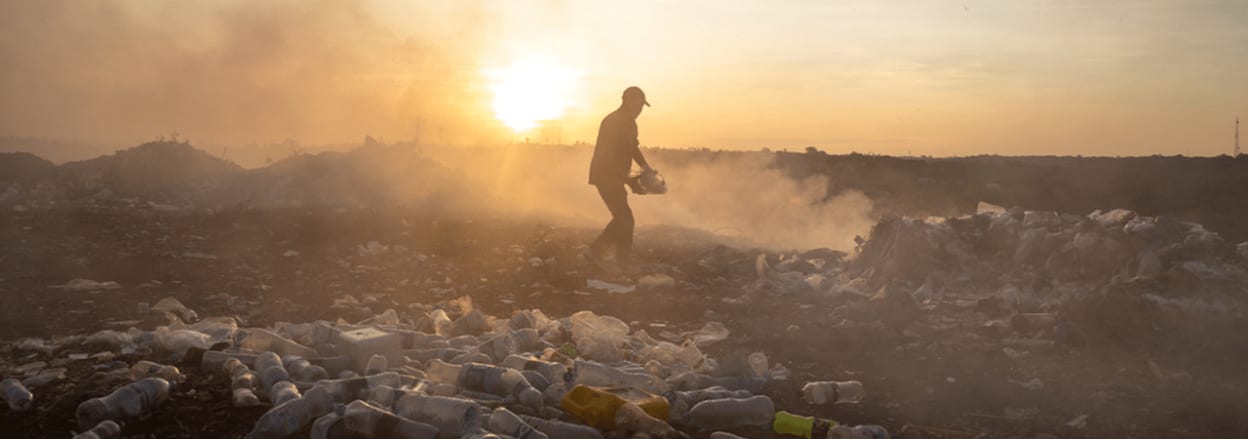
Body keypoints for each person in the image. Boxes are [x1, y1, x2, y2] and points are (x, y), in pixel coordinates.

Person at [587, 86, 653, 271]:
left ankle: (602, 254)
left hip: (608, 174)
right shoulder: (622, 122)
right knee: (625, 219)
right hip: (607, 175)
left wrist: (641, 172)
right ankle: (616, 260)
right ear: (629, 102)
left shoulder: (619, 120)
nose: (640, 110)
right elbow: (618, 154)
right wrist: (637, 176)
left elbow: (628, 150)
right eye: (639, 105)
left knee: (622, 218)